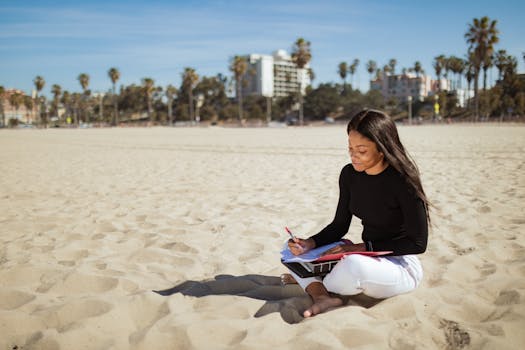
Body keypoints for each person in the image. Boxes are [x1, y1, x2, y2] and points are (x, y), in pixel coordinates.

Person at [285, 109, 430, 318]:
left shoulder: (403, 181)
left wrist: (361, 248)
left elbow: (418, 243)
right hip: (363, 255)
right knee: (292, 250)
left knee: (353, 266)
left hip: (399, 265)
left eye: (361, 150)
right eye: (350, 148)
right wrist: (309, 243)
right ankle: (321, 292)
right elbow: (339, 225)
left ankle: (311, 280)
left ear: (382, 149)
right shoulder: (349, 175)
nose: (353, 155)